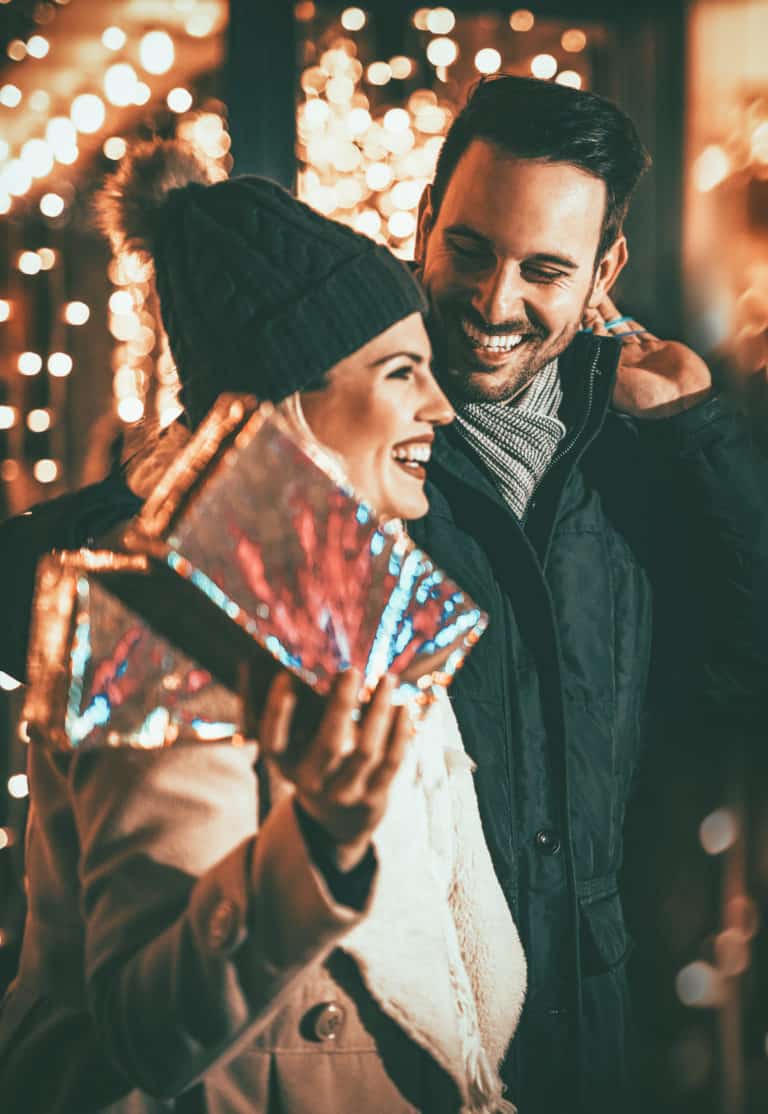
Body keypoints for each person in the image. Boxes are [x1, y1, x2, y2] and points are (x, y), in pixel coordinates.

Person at [0, 142, 526, 1114]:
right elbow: (145, 1022)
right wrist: (314, 847)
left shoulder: (362, 592)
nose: (440, 406)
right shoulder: (159, 616)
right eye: (401, 372)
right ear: (289, 400)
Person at [406, 75, 768, 1112]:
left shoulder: (640, 453)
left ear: (604, 269)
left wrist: (700, 435)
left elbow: (743, 671)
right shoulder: (354, 430)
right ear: (424, 222)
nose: (495, 302)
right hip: (407, 1027)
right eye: (470, 249)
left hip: (592, 1026)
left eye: (545, 270)